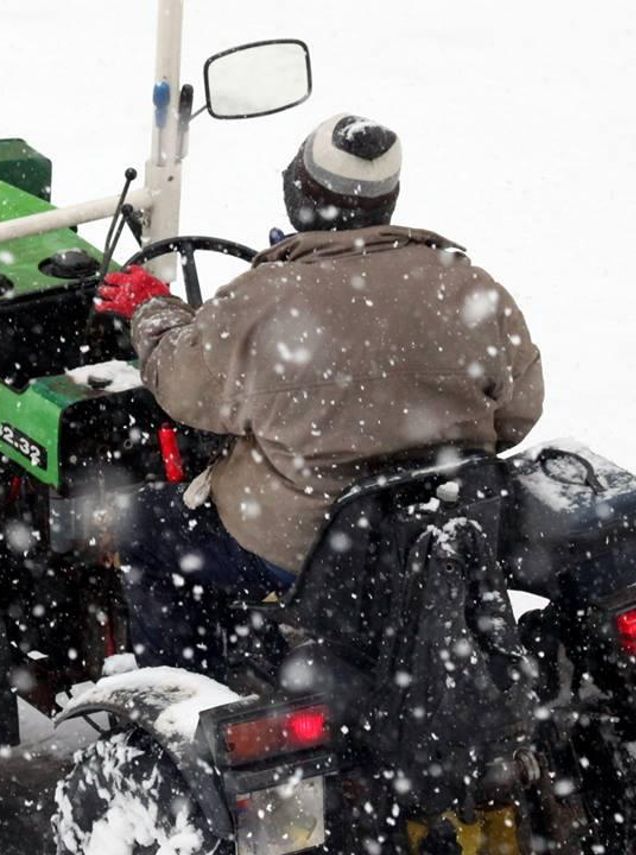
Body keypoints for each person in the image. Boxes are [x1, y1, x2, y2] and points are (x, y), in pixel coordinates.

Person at [97, 113, 544, 674]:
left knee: (145, 524)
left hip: (305, 557)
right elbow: (518, 414)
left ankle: (183, 706)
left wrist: (152, 308)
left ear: (300, 197)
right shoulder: (469, 286)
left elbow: (184, 390)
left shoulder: (264, 299)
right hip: (438, 535)